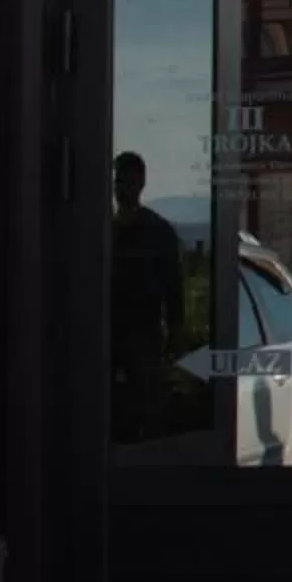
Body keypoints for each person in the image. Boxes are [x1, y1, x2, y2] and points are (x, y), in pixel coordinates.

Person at [112, 151, 185, 442]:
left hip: (143, 336)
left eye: (128, 182)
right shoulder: (103, 229)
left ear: (141, 184)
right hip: (109, 335)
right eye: (118, 182)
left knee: (148, 412)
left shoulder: (158, 232)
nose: (122, 189)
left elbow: (174, 286)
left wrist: (176, 332)